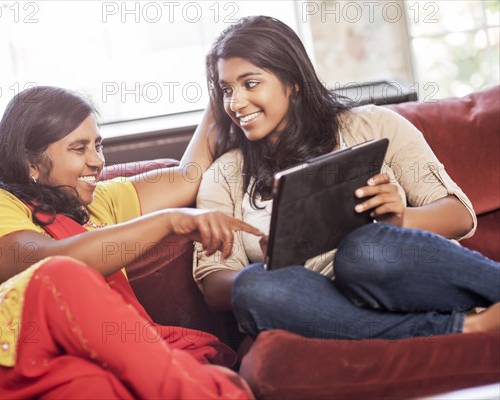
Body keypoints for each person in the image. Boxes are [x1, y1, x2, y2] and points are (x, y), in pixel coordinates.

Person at [0, 86, 262, 399]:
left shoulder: (94, 203)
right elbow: (49, 265)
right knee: (62, 275)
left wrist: (224, 91)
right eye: (79, 148)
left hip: (59, 367)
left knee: (96, 386)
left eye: (97, 145)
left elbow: (187, 177)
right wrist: (170, 221)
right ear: (31, 163)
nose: (98, 161)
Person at [193, 16, 500, 340]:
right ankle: (464, 327)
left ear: (293, 81)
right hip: (320, 307)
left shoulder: (375, 124)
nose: (235, 103)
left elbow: (459, 215)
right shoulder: (224, 176)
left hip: (396, 275)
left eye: (250, 83)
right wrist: (274, 267)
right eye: (226, 90)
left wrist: (399, 220)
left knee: (363, 250)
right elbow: (215, 286)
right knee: (253, 289)